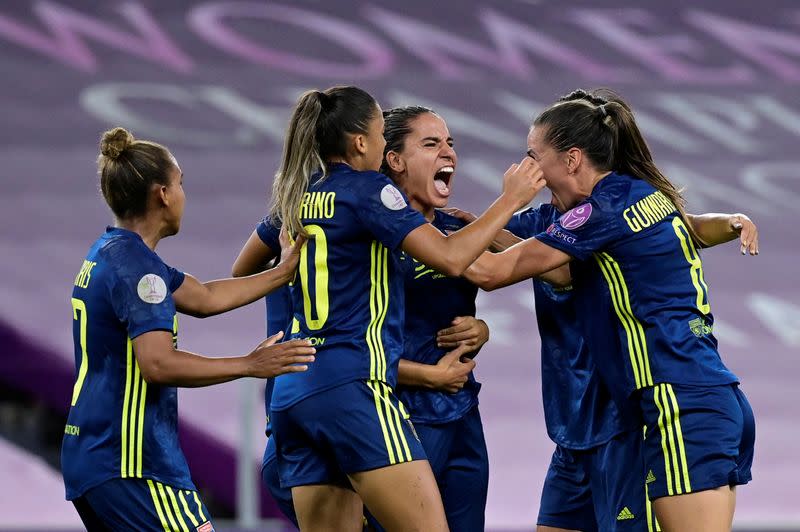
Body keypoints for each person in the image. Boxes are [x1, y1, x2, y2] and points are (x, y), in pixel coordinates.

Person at [463, 89, 756, 532]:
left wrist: (503, 201)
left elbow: (489, 272)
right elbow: (692, 229)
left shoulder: (601, 211)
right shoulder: (640, 196)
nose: (528, 171)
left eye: (533, 156)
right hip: (698, 395)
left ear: (572, 159)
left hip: (677, 401)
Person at [266, 85, 544, 531]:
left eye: (450, 142)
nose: (448, 151)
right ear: (382, 153)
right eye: (430, 144)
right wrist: (510, 200)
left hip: (445, 408)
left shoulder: (307, 196)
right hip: (375, 400)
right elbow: (456, 261)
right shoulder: (371, 197)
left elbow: (482, 271)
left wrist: (482, 330)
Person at [62, 127, 316, 531]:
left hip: (93, 456)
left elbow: (204, 297)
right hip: (133, 463)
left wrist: (282, 272)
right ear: (162, 194)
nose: (184, 195)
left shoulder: (111, 252)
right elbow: (158, 365)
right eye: (180, 184)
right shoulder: (138, 270)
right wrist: (250, 364)